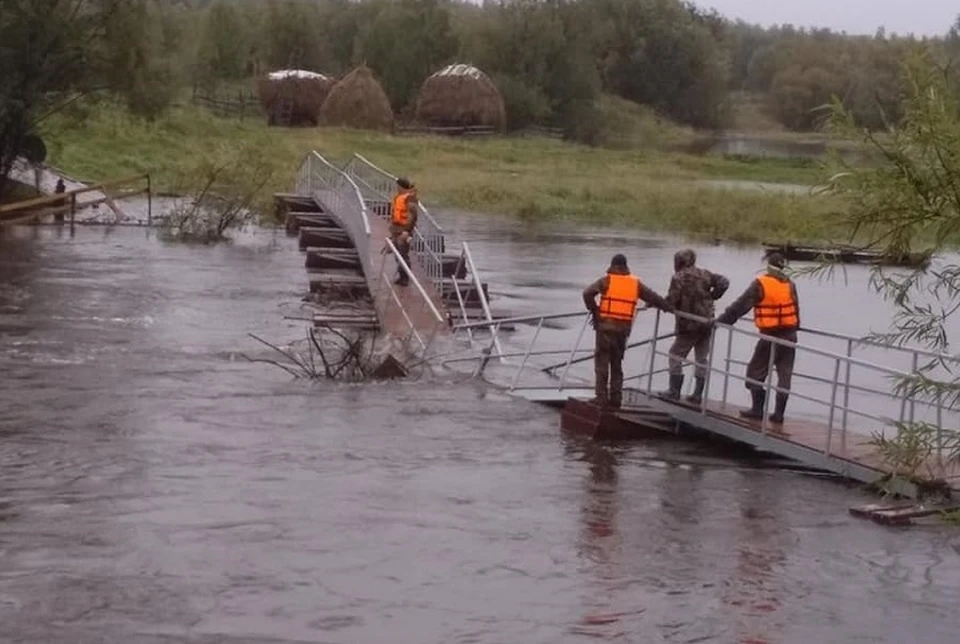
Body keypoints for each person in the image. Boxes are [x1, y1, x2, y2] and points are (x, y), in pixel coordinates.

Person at [715, 252, 800, 424]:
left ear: (768, 266)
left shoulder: (760, 283)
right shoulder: (790, 284)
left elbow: (740, 306)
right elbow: (796, 310)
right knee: (785, 376)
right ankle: (778, 415)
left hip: (770, 337)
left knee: (754, 373)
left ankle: (757, 410)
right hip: (790, 336)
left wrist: (722, 321)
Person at [583, 254, 672, 409]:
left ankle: (601, 397)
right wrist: (668, 307)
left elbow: (587, 293)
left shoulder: (606, 280)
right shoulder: (635, 284)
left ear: (612, 265)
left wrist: (595, 310)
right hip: (622, 330)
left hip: (605, 328)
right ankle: (616, 398)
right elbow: (654, 297)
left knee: (602, 363)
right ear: (625, 266)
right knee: (617, 364)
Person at [660, 249, 729, 404]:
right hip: (707, 322)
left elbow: (672, 299)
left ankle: (674, 391)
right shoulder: (705, 274)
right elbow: (724, 282)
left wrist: (658, 303)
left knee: (675, 355)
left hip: (688, 325)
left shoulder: (678, 277)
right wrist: (714, 296)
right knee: (701, 359)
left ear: (679, 261)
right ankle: (697, 394)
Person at [390, 177, 419, 286]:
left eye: (397, 185)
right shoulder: (398, 197)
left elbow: (412, 217)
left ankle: (405, 277)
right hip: (396, 229)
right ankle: (401, 276)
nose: (396, 188)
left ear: (402, 186)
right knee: (397, 255)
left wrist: (407, 232)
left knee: (403, 254)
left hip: (404, 231)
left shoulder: (410, 199)